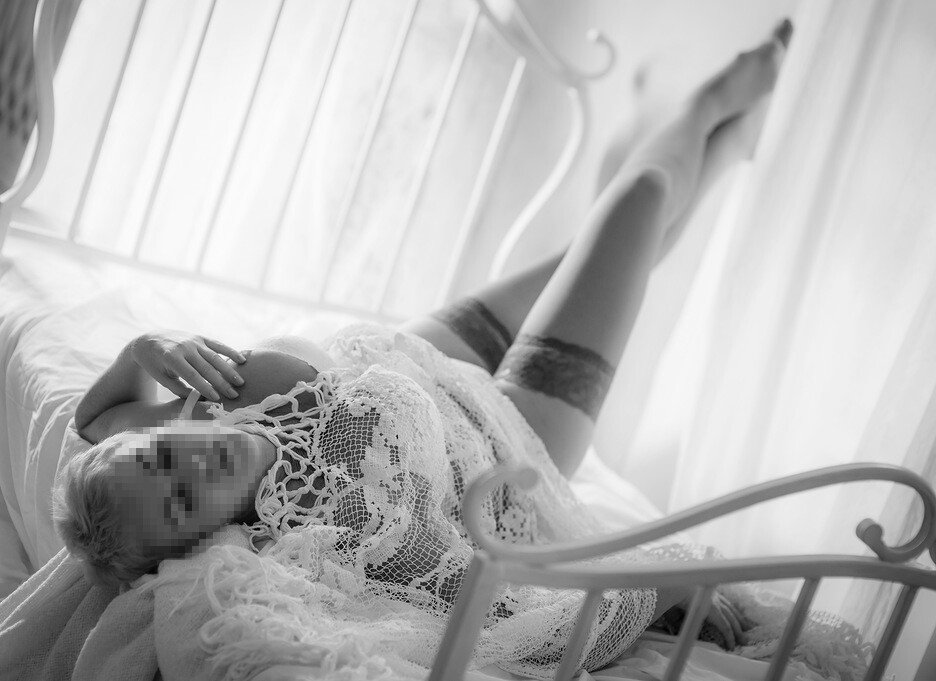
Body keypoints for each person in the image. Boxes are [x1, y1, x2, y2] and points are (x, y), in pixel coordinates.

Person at [53, 19, 793, 672]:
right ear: (200, 541)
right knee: (638, 202)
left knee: (608, 243)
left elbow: (95, 419)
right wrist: (661, 587)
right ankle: (706, 112)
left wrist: (143, 347)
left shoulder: (197, 408)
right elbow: (509, 615)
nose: (188, 466)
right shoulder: (330, 525)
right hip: (514, 430)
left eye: (159, 457)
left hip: (418, 357)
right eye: (183, 501)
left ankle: (718, 147)